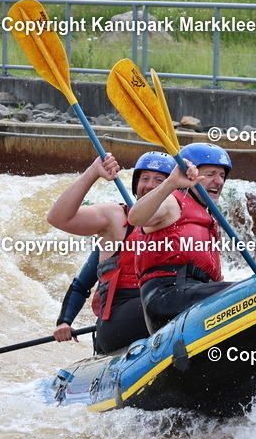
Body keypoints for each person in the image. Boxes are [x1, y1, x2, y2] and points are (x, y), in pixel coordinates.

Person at [47, 151, 173, 353]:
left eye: (159, 180)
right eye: (145, 179)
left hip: (164, 315)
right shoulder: (116, 218)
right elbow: (58, 218)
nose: (150, 185)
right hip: (120, 322)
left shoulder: (183, 224)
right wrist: (64, 322)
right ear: (135, 184)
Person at [128, 143, 233, 334]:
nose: (218, 181)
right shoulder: (172, 201)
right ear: (190, 175)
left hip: (193, 295)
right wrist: (170, 183)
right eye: (210, 174)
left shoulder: (205, 215)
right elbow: (136, 217)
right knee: (250, 289)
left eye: (222, 176)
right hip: (167, 297)